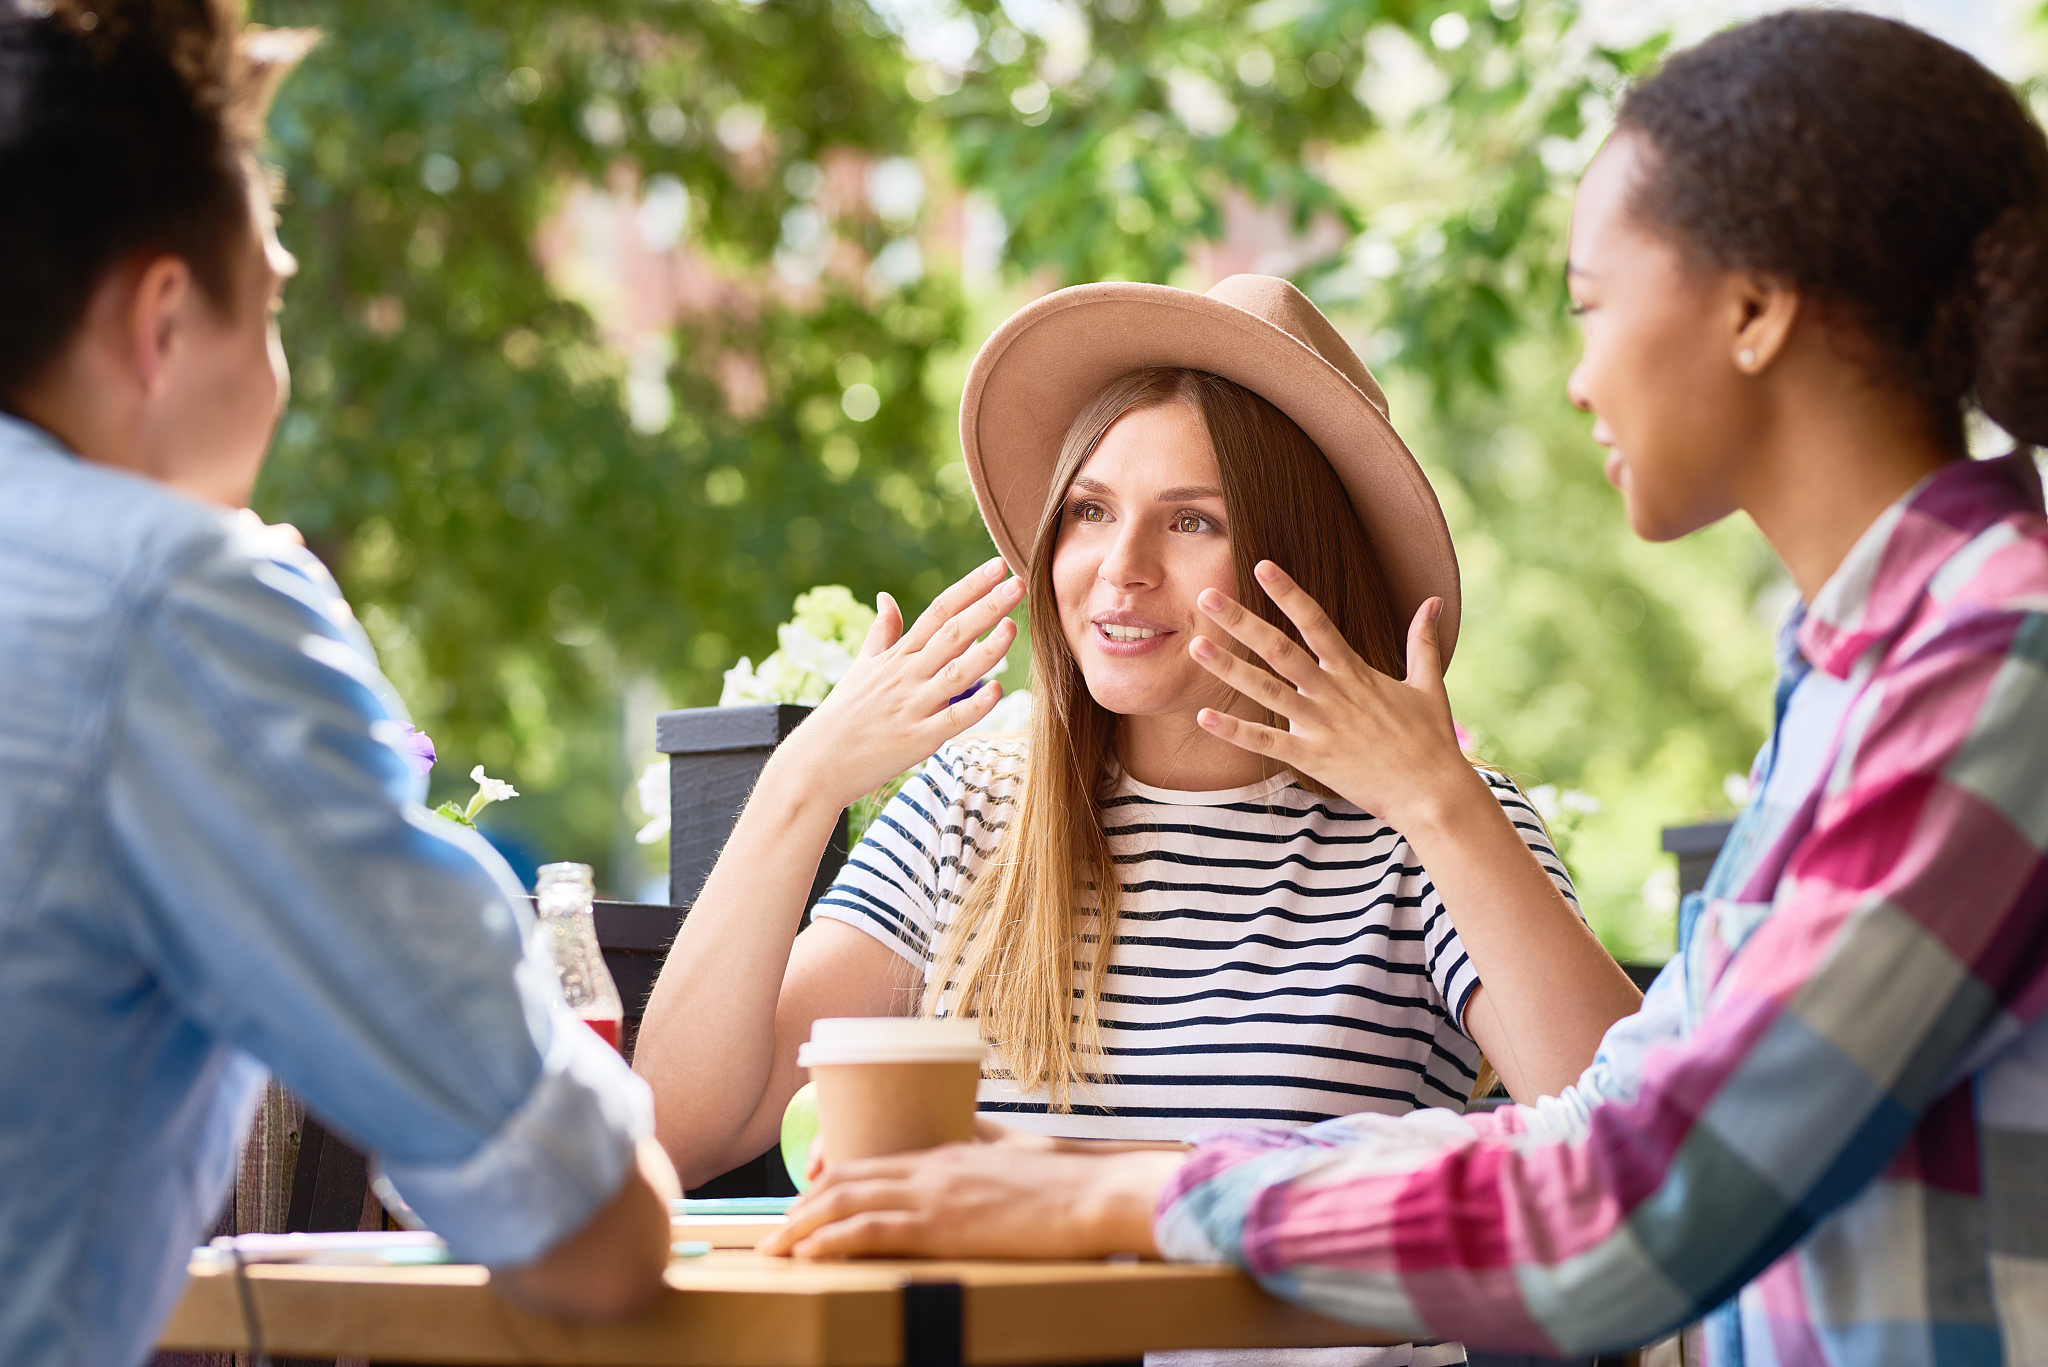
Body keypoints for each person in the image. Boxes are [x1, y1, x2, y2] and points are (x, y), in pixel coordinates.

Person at [760, 10, 2048, 1366]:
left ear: (1751, 308)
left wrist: (1116, 1193)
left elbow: (1641, 1198)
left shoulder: (1990, 666)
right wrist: (1110, 1174)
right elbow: (1610, 1118)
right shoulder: (1865, 676)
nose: (1577, 377)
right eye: (1090, 511)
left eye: (1590, 304)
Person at [638, 273, 1642, 1361]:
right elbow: (679, 1130)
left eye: (1192, 520)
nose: (1119, 570)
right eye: (1089, 511)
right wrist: (802, 782)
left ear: (1297, 557)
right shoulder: (975, 801)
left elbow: (1637, 1149)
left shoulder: (1427, 827)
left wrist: (1438, 800)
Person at [0, 5, 678, 1364]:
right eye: (274, 302)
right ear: (162, 318)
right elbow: (589, 1230)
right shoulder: (176, 601)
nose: (283, 374)